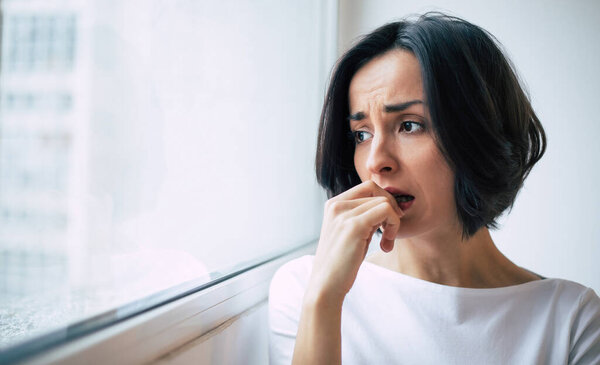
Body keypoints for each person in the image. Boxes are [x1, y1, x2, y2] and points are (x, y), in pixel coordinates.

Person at [268, 12, 600, 364]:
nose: (376, 161)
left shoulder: (572, 322)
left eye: (410, 126)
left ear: (478, 133)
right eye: (361, 134)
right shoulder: (307, 289)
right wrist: (324, 300)